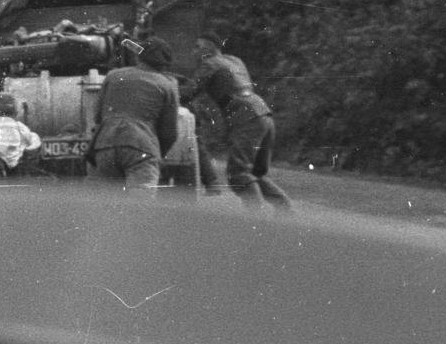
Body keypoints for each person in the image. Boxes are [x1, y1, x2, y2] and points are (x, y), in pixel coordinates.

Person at [192, 33, 292, 212]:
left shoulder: (210, 64)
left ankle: (256, 218)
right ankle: (285, 208)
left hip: (245, 118)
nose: (195, 51)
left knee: (238, 174)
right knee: (253, 173)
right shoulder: (235, 60)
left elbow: (189, 91)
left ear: (209, 48)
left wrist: (168, 82)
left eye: (198, 47)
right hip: (263, 113)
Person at [85, 37, 182, 190]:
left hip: (105, 145)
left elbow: (98, 116)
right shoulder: (167, 84)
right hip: (141, 147)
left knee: (107, 207)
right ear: (164, 63)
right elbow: (170, 133)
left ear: (138, 56)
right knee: (140, 208)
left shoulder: (113, 76)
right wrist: (156, 154)